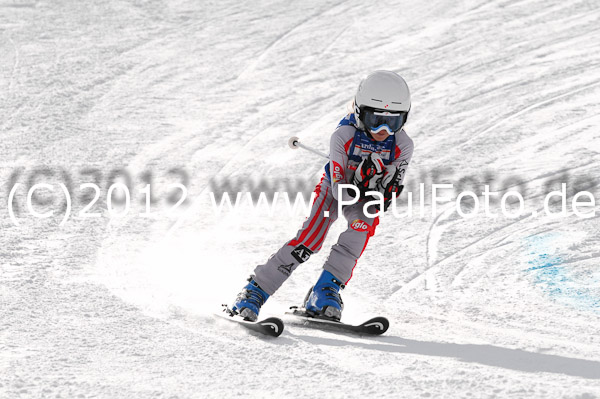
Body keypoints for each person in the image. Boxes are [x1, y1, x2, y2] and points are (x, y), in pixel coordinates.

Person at [229, 70, 414, 321]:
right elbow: (339, 188)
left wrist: (382, 191)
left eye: (392, 122)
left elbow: (388, 194)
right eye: (374, 119)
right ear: (360, 113)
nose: (382, 129)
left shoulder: (403, 145)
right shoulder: (344, 135)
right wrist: (360, 180)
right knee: (310, 239)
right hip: (334, 190)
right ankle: (255, 290)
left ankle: (325, 291)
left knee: (360, 230)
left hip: (364, 197)